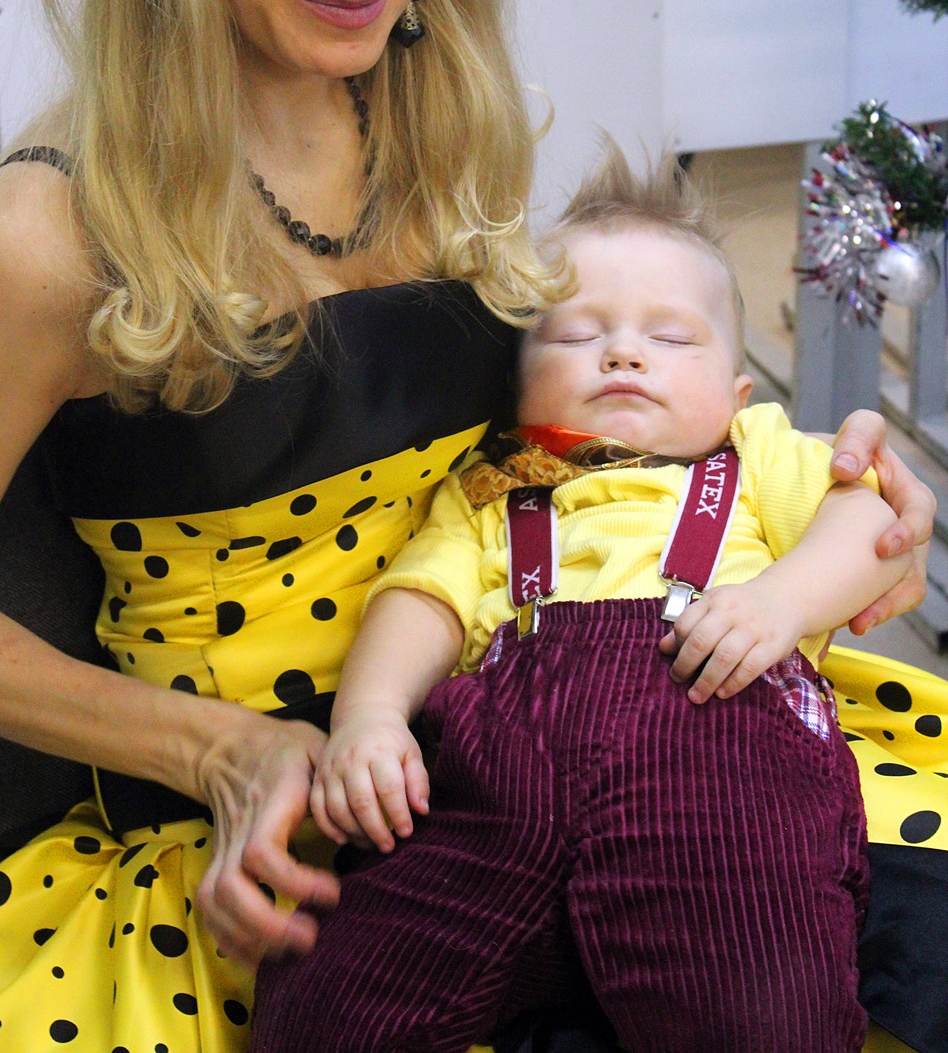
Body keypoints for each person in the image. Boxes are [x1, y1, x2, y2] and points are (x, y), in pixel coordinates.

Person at [0, 0, 934, 1053]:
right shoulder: (43, 238)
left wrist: (807, 490)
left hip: (588, 730)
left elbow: (554, 464)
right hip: (290, 830)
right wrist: (222, 750)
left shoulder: (436, 135)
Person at [252, 146, 908, 1053]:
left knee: (768, 1011)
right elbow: (421, 600)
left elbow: (871, 526)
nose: (624, 353)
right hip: (494, 797)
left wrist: (781, 604)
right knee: (324, 1009)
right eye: (574, 337)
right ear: (518, 390)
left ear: (737, 391)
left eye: (671, 339)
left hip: (715, 785)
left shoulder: (753, 455)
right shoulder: (494, 487)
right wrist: (370, 716)